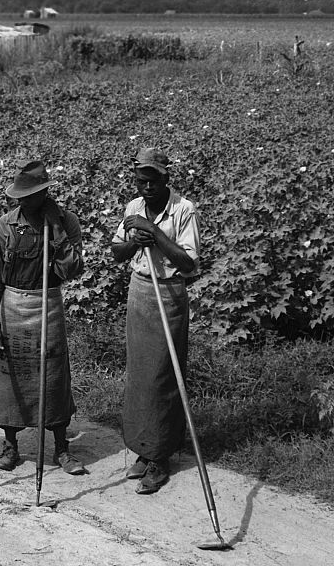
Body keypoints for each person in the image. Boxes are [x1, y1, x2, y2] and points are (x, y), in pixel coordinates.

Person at [0, 159, 86, 475]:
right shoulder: (6, 225)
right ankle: (11, 447)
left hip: (48, 306)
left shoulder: (66, 222)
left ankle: (61, 449)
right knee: (10, 378)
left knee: (53, 378)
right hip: (13, 307)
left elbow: (73, 269)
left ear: (44, 193)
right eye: (19, 196)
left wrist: (56, 232)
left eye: (29, 195)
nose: (22, 201)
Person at [111, 147, 200, 495]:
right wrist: (135, 240)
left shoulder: (184, 210)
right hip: (140, 291)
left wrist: (157, 235)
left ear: (166, 179)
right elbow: (117, 252)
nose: (146, 188)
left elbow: (188, 262)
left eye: (152, 182)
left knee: (165, 375)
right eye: (140, 182)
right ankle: (144, 450)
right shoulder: (133, 208)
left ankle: (161, 457)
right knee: (141, 375)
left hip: (170, 292)